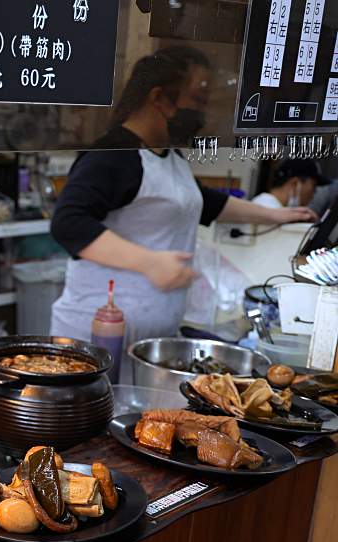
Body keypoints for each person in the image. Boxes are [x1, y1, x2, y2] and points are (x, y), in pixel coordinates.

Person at [50, 47, 316, 346]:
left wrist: (276, 214)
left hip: (150, 333)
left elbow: (203, 201)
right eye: (198, 100)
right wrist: (149, 262)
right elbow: (68, 223)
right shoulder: (113, 155)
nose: (202, 114)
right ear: (159, 98)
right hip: (96, 335)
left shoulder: (169, 156)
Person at [251, 160, 328, 209]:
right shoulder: (267, 207)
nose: (313, 194)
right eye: (313, 187)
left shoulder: (275, 208)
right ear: (295, 183)